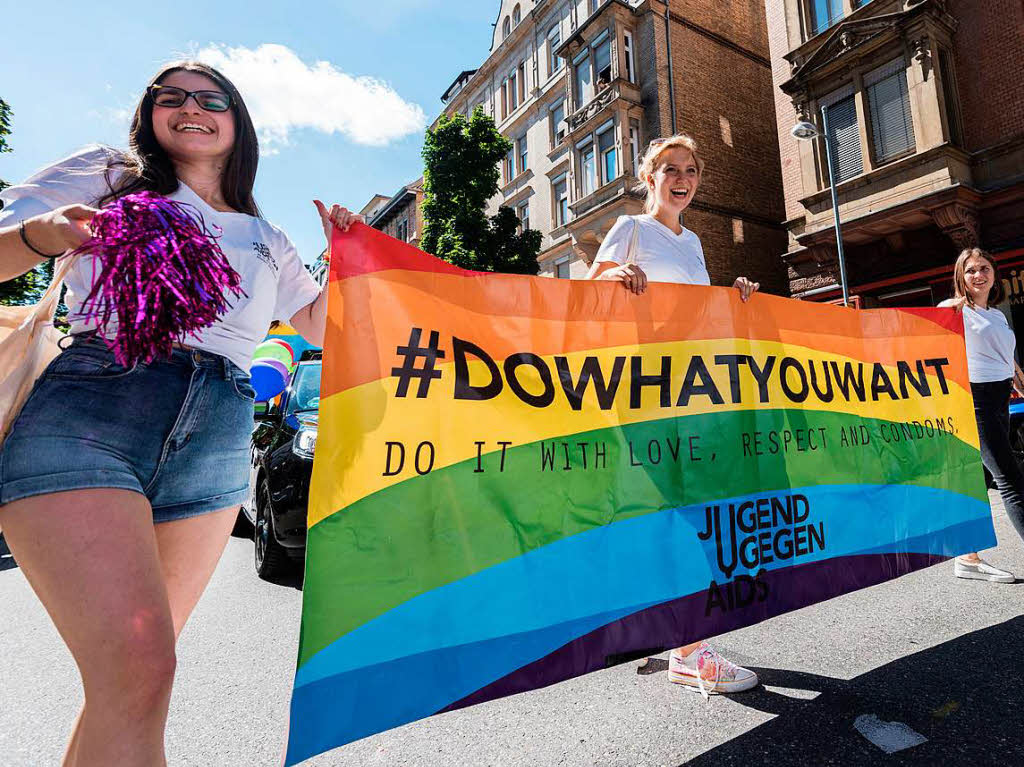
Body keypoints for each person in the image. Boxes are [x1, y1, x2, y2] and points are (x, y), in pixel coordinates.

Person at [0, 61, 360, 766]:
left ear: (238, 121)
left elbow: (323, 324)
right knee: (138, 674)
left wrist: (351, 259)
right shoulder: (109, 174)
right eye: (172, 96)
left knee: (131, 685)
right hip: (92, 411)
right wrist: (47, 234)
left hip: (216, 440)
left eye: (211, 98)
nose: (191, 107)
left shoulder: (266, 237)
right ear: (150, 113)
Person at [585, 134, 760, 696]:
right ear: (649, 176)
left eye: (690, 170)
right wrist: (614, 276)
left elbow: (697, 314)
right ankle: (688, 650)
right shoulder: (632, 229)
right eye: (669, 169)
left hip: (693, 392)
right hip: (645, 393)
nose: (681, 178)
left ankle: (671, 634)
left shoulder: (696, 244)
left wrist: (733, 297)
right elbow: (589, 290)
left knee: (680, 512)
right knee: (683, 513)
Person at [939, 248, 1024, 583]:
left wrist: (1018, 377)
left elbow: (1007, 359)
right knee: (1010, 478)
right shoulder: (956, 310)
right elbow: (929, 333)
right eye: (971, 270)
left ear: (994, 274)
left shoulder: (998, 316)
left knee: (980, 478)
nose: (979, 275)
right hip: (974, 399)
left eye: (984, 268)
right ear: (962, 276)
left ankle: (968, 558)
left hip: (1001, 395)